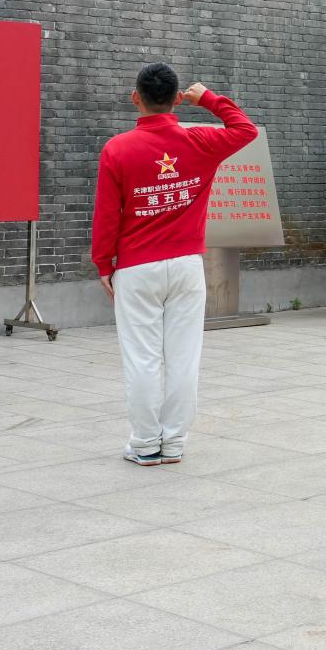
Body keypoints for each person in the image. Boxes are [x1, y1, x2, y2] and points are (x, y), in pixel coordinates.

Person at [92, 63, 257, 466]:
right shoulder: (200, 141)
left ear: (136, 98)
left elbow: (107, 216)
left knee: (142, 358)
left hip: (136, 268)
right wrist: (209, 99)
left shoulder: (118, 149)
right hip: (186, 266)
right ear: (178, 99)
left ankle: (145, 443)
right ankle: (175, 442)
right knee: (183, 357)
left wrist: (103, 264)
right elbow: (245, 130)